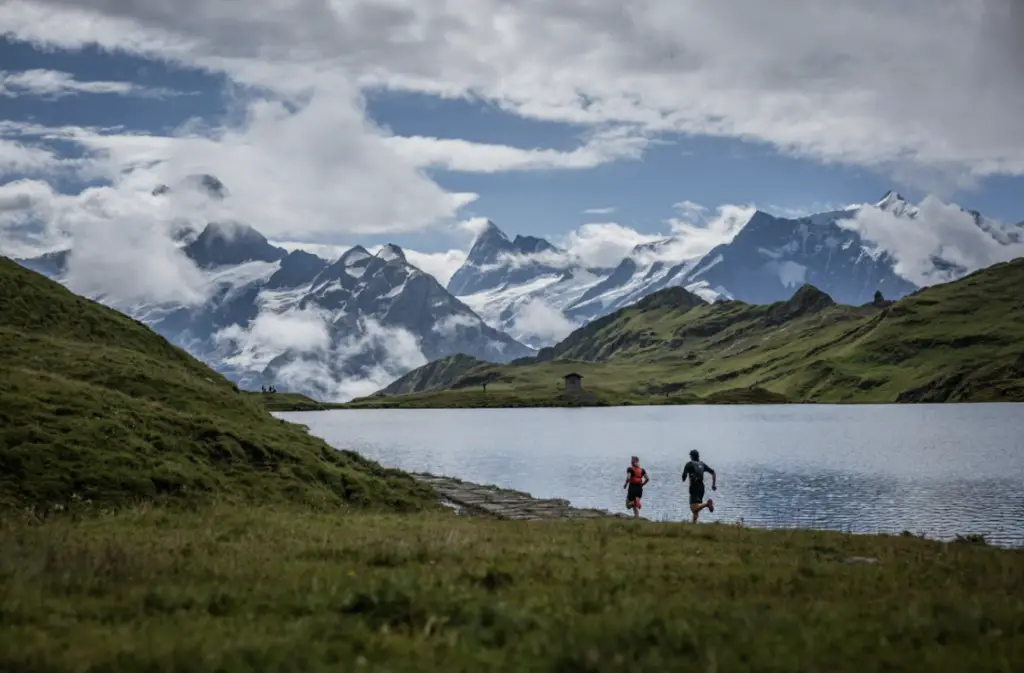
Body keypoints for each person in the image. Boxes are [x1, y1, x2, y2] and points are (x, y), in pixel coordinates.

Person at [681, 449, 716, 523]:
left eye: (690, 456)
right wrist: (713, 484)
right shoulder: (702, 464)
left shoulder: (689, 464)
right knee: (696, 509)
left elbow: (684, 476)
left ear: (691, 456)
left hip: (694, 487)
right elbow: (713, 472)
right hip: (701, 488)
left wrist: (684, 478)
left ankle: (707, 504)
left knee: (693, 508)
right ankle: (694, 524)